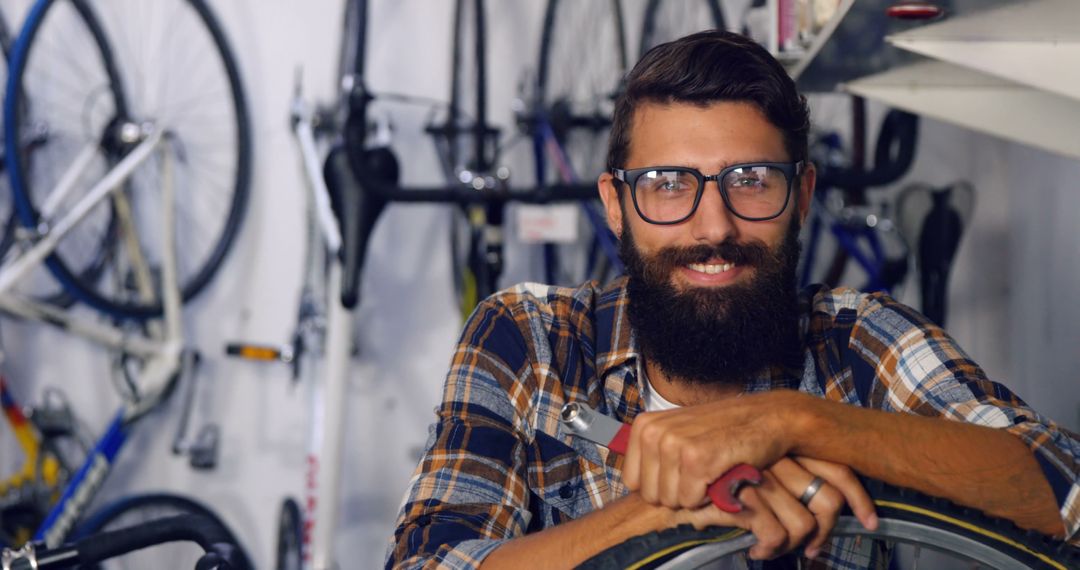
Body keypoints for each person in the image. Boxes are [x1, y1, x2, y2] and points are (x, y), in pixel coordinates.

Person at [387, 30, 1079, 569]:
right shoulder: (532, 341)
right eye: (666, 184)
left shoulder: (859, 340)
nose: (714, 227)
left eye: (750, 180)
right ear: (616, 206)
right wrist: (661, 519)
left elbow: (1067, 490)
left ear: (802, 196)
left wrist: (798, 421)